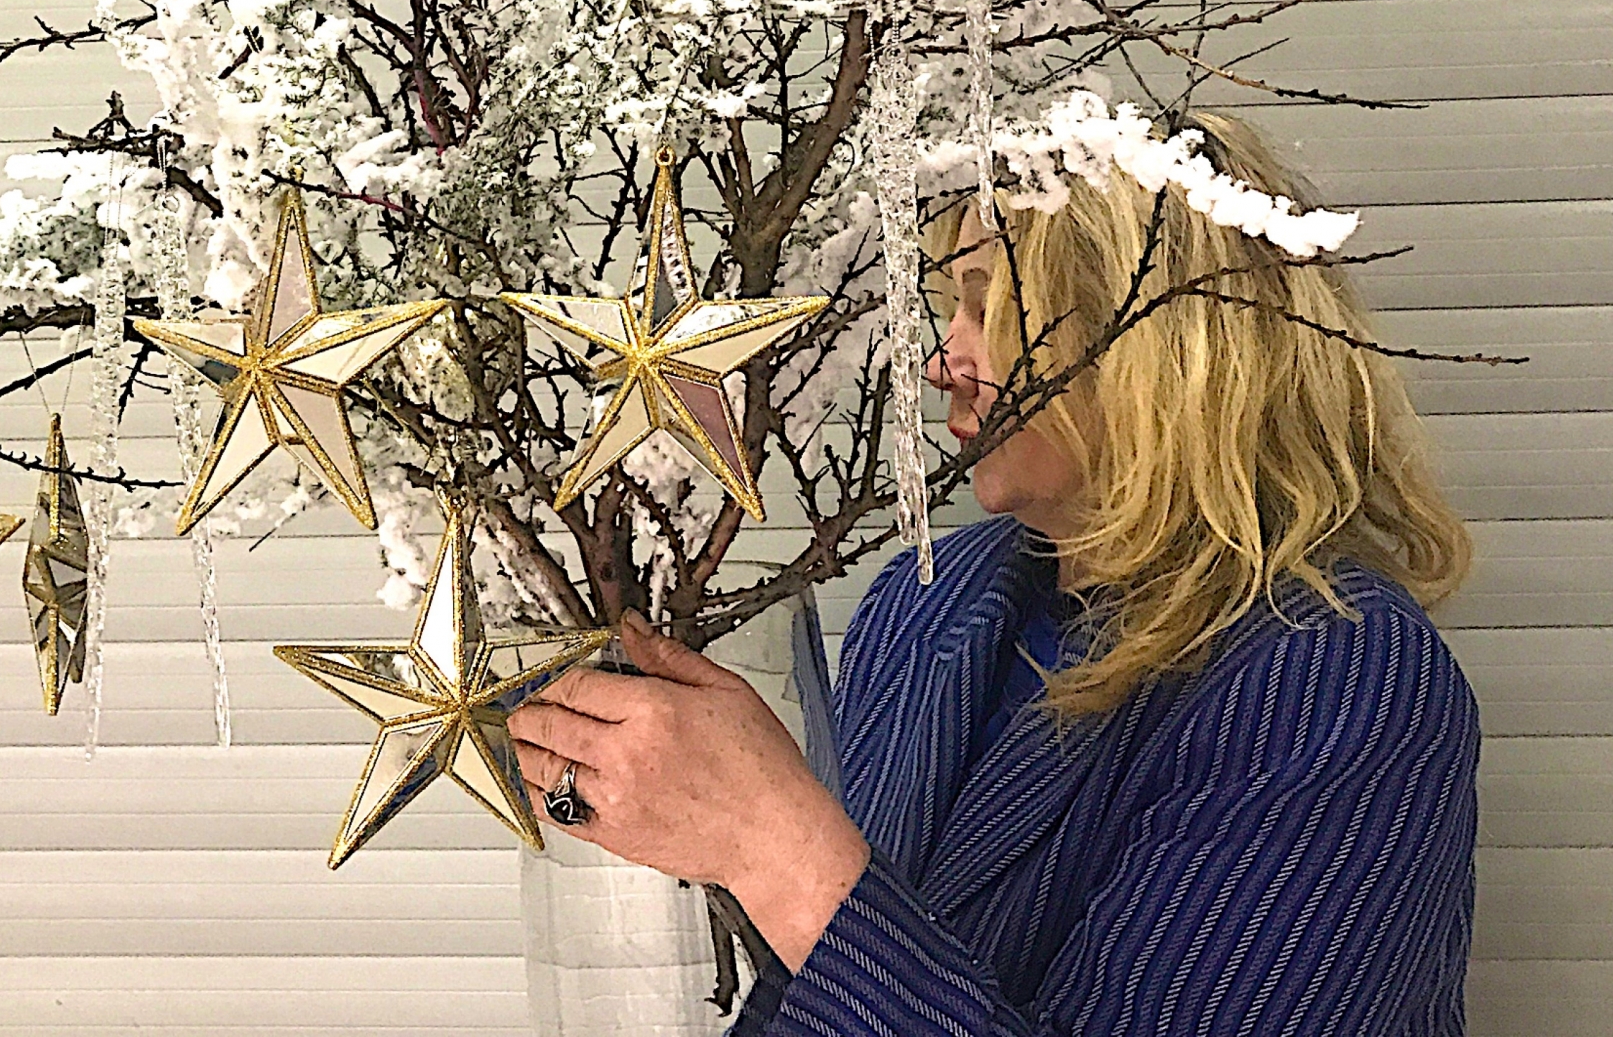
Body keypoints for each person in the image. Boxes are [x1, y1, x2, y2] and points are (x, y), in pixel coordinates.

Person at [509, 111, 1479, 1035]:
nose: (943, 361)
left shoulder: (1337, 680)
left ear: (1152, 348)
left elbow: (828, 908)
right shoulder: (923, 602)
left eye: (990, 306)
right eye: (952, 308)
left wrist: (772, 842)